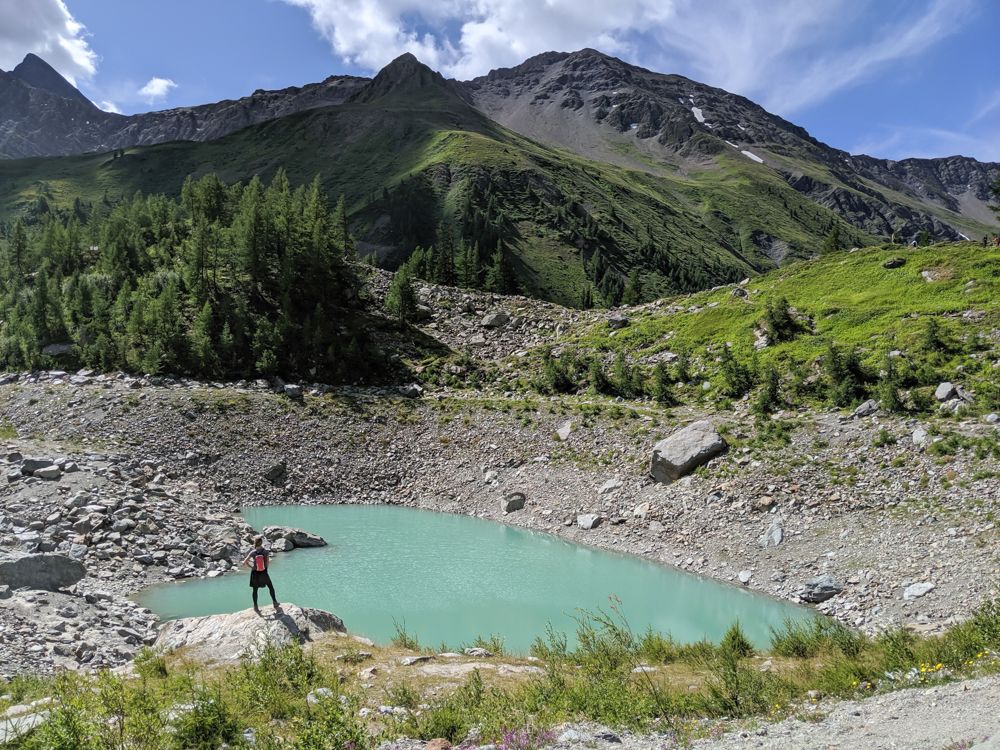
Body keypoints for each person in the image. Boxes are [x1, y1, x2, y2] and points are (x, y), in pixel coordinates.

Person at [243, 536, 279, 614]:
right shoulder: (265, 551)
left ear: (255, 543)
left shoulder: (253, 552)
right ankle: (275, 602)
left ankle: (255, 606)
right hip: (263, 571)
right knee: (270, 587)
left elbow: (245, 562)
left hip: (255, 572)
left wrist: (251, 567)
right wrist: (265, 569)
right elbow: (267, 562)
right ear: (261, 543)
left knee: (255, 590)